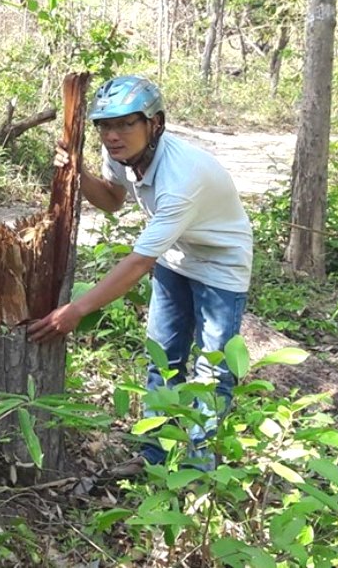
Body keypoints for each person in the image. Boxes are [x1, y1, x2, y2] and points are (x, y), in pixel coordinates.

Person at [27, 75, 252, 471]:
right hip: (175, 257)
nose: (113, 136)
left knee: (213, 370)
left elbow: (138, 262)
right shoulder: (119, 155)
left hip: (220, 264)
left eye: (126, 124)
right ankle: (154, 456)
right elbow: (113, 200)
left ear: (155, 123)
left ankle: (200, 472)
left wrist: (76, 310)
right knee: (163, 357)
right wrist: (77, 172)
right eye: (105, 126)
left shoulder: (181, 178)